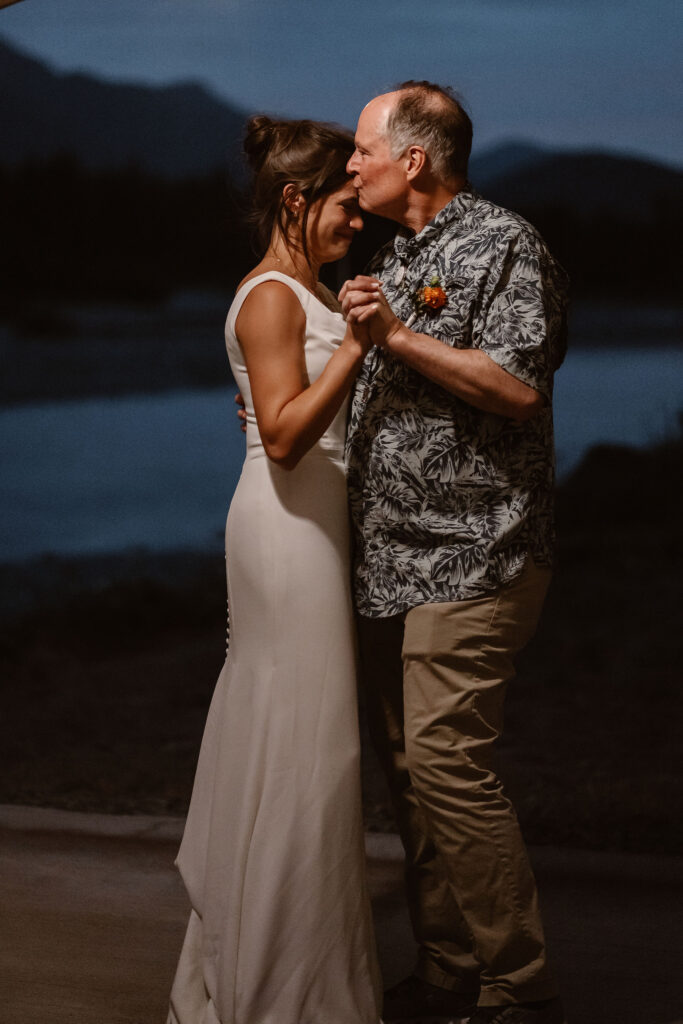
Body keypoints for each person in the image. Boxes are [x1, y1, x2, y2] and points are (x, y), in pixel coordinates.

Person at [339, 82, 569, 1024]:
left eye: (361, 148)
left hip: (476, 554)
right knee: (408, 774)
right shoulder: (400, 254)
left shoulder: (504, 244)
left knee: (444, 764)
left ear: (413, 160)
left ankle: (519, 986)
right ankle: (446, 973)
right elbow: (392, 393)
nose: (350, 165)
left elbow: (516, 389)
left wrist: (390, 332)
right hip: (389, 560)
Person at [167, 116, 382, 1024]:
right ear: (295, 201)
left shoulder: (310, 291)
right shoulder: (269, 298)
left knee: (316, 750)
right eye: (343, 205)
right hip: (287, 529)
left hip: (315, 525)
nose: (356, 223)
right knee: (300, 746)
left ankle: (283, 961)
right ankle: (273, 987)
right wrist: (363, 350)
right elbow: (288, 437)